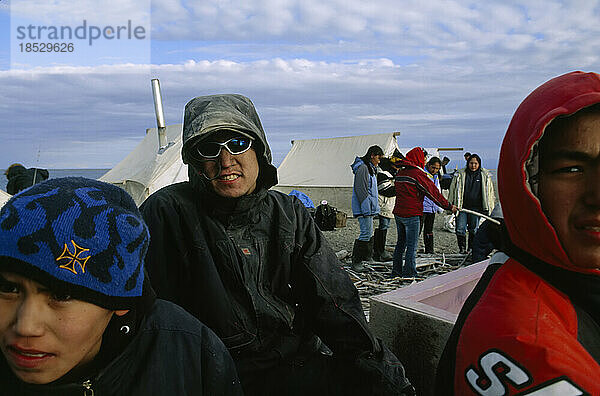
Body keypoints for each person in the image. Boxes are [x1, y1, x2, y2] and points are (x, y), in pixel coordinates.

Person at [140, 94, 414, 396]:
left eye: (238, 143)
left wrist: (392, 383)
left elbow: (334, 304)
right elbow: (148, 319)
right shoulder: (166, 213)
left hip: (291, 363)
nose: (226, 160)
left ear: (259, 149)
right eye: (209, 148)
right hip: (209, 374)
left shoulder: (289, 214)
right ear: (195, 161)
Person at [435, 71, 600, 395]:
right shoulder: (528, 343)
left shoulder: (568, 279)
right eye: (571, 170)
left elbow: (487, 197)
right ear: (527, 183)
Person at [0, 177, 242, 395]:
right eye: (8, 288)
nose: (25, 327)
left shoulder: (192, 352)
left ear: (119, 301)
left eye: (62, 294)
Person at [391, 147, 457, 278]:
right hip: (412, 214)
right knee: (411, 246)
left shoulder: (401, 173)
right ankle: (409, 274)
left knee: (400, 244)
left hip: (398, 213)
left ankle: (396, 272)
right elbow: (433, 193)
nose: (424, 160)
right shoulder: (417, 174)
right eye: (423, 158)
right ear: (418, 159)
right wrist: (449, 206)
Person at [448, 153, 495, 253]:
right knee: (460, 228)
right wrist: (450, 204)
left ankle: (470, 249)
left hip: (476, 208)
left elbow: (490, 193)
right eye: (471, 163)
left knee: (473, 229)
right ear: (467, 163)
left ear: (479, 164)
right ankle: (462, 249)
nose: (473, 166)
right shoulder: (460, 174)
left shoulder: (485, 176)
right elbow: (452, 189)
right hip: (462, 207)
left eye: (475, 163)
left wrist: (489, 208)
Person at [350, 145, 384, 271]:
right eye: (378, 158)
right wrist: (366, 209)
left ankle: (367, 257)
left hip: (369, 207)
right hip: (364, 208)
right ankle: (356, 261)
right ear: (372, 155)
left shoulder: (370, 168)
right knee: (365, 233)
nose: (379, 161)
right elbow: (361, 191)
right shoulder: (363, 168)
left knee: (369, 233)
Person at [372, 156, 396, 262]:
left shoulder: (386, 174)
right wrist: (400, 187)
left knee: (383, 227)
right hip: (384, 205)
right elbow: (386, 190)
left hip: (387, 205)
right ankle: (379, 250)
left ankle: (378, 250)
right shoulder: (382, 174)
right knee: (383, 226)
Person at [422, 157, 444, 254]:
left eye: (437, 169)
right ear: (429, 165)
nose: (435, 170)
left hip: (431, 208)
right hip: (422, 207)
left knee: (429, 230)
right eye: (433, 168)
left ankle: (429, 250)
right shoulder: (423, 174)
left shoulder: (435, 177)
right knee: (417, 230)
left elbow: (437, 192)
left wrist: (438, 207)